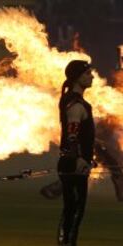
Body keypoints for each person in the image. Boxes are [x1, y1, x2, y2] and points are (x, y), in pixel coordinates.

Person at [57, 60, 95, 246]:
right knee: (75, 209)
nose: (92, 76)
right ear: (77, 77)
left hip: (72, 162)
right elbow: (72, 135)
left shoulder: (72, 100)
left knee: (71, 209)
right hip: (73, 163)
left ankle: (66, 243)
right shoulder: (76, 103)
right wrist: (79, 158)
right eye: (87, 74)